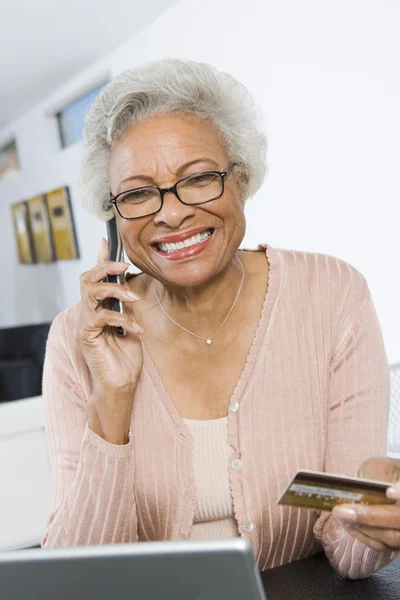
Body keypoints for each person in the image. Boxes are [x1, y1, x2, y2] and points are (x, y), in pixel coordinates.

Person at [42, 59, 400, 577]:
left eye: (199, 178)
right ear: (115, 214)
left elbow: (349, 553)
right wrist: (112, 399)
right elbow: (71, 578)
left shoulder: (333, 296)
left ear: (242, 178)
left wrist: (374, 522)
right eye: (138, 193)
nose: (170, 213)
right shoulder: (75, 339)